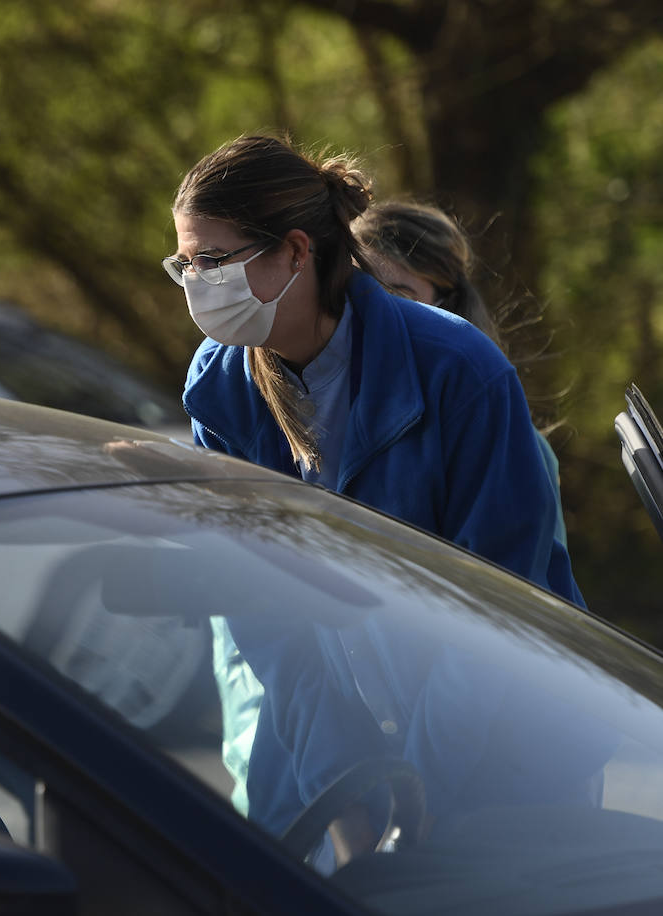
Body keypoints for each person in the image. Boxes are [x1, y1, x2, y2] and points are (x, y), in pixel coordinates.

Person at [166, 135, 608, 864]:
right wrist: (347, 792)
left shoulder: (460, 369)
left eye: (214, 260)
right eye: (184, 262)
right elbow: (268, 618)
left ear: (296, 252)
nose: (195, 282)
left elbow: (496, 608)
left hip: (510, 759)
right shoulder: (219, 385)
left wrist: (418, 793)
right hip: (352, 777)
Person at [352, 199, 567, 544]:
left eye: (396, 296)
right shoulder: (324, 415)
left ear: (446, 306)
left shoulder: (510, 441)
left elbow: (516, 578)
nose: (374, 314)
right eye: (360, 293)